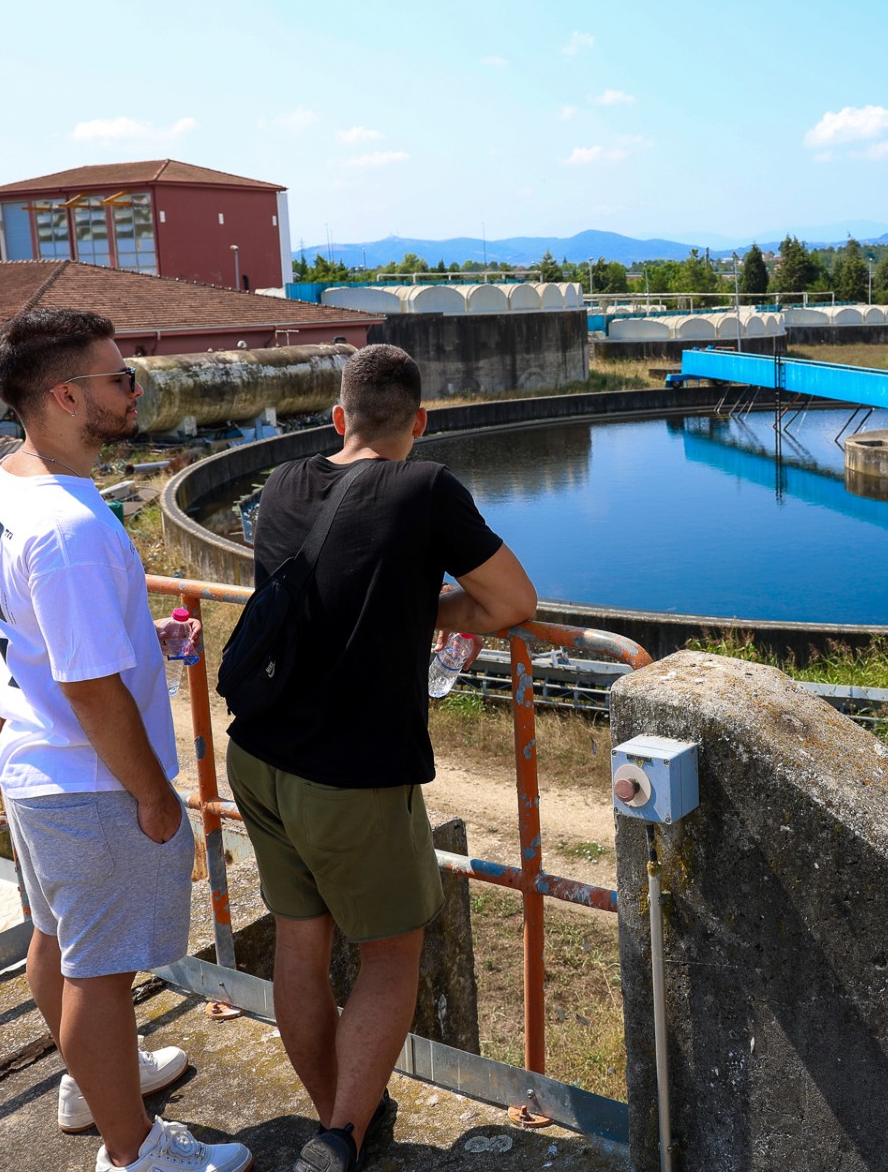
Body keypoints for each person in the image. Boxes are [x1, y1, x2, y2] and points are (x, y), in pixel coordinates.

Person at [225, 343, 536, 1172]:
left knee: (301, 942)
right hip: (352, 773)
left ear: (339, 417)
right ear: (420, 422)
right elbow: (514, 602)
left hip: (256, 755)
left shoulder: (285, 483)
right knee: (393, 950)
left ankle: (342, 1122)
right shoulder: (428, 486)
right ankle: (339, 1136)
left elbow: (324, 590)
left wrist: (405, 600)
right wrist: (429, 606)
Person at [0, 308, 251, 1172]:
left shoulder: (7, 481)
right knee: (98, 969)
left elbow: (34, 632)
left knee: (60, 941)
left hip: (32, 762)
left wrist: (143, 640)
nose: (134, 390)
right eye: (118, 377)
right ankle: (132, 1152)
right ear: (64, 395)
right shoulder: (69, 527)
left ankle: (95, 1082)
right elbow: (90, 686)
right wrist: (155, 794)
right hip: (87, 782)